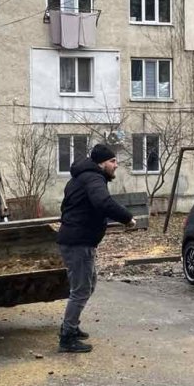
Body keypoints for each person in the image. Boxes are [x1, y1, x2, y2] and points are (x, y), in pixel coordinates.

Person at [56, 143, 136, 353]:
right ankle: (67, 337)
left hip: (79, 241)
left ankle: (71, 325)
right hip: (78, 243)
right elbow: (103, 202)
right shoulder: (93, 178)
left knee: (88, 285)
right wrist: (127, 218)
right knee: (81, 290)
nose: (116, 165)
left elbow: (68, 207)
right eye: (112, 161)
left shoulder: (81, 178)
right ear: (101, 163)